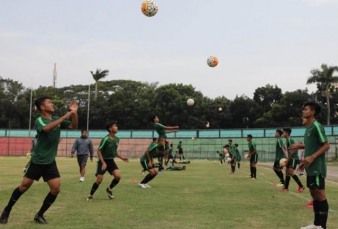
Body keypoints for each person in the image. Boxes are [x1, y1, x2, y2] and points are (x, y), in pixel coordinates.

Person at [0, 97, 78, 224]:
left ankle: (39, 214)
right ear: (42, 107)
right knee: (24, 187)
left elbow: (73, 126)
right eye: (49, 103)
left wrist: (74, 113)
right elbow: (47, 129)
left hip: (50, 162)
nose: (52, 104)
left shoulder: (55, 119)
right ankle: (6, 211)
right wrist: (64, 116)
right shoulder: (39, 120)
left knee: (55, 188)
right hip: (38, 161)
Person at [290, 102, 330, 229]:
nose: (303, 111)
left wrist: (312, 157)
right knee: (313, 193)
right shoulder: (309, 128)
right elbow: (313, 146)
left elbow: (326, 145)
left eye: (305, 109)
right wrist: (299, 146)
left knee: (320, 194)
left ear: (312, 112)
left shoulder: (317, 126)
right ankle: (316, 224)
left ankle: (322, 226)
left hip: (317, 166)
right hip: (310, 166)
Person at [86, 121, 129, 201]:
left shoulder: (117, 139)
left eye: (116, 126)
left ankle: (109, 189)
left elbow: (115, 151)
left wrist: (122, 158)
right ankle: (91, 195)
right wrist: (103, 163)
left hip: (111, 161)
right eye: (115, 126)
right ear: (110, 129)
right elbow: (99, 151)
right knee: (99, 179)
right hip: (103, 161)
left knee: (118, 176)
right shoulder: (105, 139)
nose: (117, 127)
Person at [280, 128, 305, 193]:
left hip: (294, 158)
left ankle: (301, 186)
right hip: (290, 157)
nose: (282, 134)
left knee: (291, 172)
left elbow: (293, 151)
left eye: (284, 132)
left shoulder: (290, 140)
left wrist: (288, 160)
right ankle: (286, 187)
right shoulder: (287, 140)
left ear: (287, 133)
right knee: (287, 172)